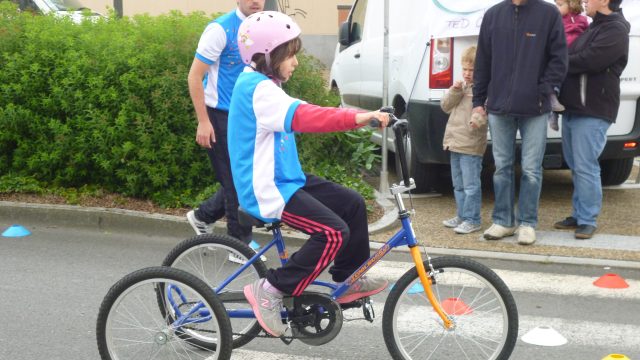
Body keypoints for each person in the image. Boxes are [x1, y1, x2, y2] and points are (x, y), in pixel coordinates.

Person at [229, 11, 390, 337]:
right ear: (267, 55)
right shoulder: (257, 91)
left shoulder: (265, 84)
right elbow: (308, 117)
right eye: (290, 55)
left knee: (352, 203)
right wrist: (361, 118)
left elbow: (305, 110)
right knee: (332, 232)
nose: (296, 63)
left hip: (286, 179)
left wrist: (360, 115)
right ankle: (271, 290)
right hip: (268, 187)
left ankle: (348, 279)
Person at [473, 0, 568, 245]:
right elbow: (482, 61)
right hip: (498, 107)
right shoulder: (494, 15)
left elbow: (559, 59)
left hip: (534, 108)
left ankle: (527, 223)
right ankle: (504, 221)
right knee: (502, 167)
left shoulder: (548, 14)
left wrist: (543, 90)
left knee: (531, 169)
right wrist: (478, 101)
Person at [186, 1, 265, 246]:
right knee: (235, 179)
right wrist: (203, 121)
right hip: (221, 116)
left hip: (250, 116)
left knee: (246, 176)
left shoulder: (264, 27)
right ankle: (238, 244)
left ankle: (203, 216)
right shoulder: (221, 29)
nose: (256, 0)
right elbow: (195, 76)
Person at [555, 0, 629, 239]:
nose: (584, 1)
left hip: (593, 109)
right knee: (576, 164)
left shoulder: (616, 29)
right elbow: (577, 55)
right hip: (574, 107)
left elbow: (590, 60)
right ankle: (579, 215)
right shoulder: (593, 27)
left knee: (586, 166)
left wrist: (560, 61)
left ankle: (588, 220)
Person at [441, 46, 488, 235]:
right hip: (454, 142)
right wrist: (454, 91)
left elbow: (484, 113)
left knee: (470, 185)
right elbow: (445, 106)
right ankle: (462, 215)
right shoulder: (462, 88)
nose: (467, 74)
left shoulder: (482, 90)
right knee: (458, 184)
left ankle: (473, 219)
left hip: (471, 145)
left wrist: (477, 120)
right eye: (465, 70)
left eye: (472, 70)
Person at [548, 0, 589, 131]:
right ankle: (552, 109)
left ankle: (554, 109)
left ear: (571, 4)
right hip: (561, 54)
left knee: (566, 83)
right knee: (555, 79)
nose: (556, 8)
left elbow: (587, 35)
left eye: (560, 5)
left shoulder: (582, 20)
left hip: (573, 54)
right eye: (556, 5)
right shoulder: (557, 20)